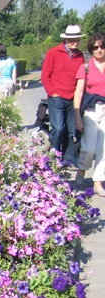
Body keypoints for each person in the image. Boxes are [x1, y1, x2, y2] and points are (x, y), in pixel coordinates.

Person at [41, 25, 86, 167]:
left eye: (77, 39)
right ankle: (54, 157)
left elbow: (80, 76)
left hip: (72, 98)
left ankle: (67, 159)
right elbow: (45, 75)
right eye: (72, 39)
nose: (75, 42)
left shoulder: (79, 55)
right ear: (66, 39)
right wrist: (52, 92)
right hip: (57, 97)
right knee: (58, 128)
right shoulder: (53, 52)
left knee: (70, 130)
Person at [74, 31, 105, 195]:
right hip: (91, 111)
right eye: (95, 47)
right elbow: (78, 93)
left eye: (102, 46)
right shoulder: (85, 67)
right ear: (91, 49)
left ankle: (98, 182)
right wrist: (77, 115)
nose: (99, 50)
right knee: (90, 149)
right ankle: (82, 168)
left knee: (104, 149)